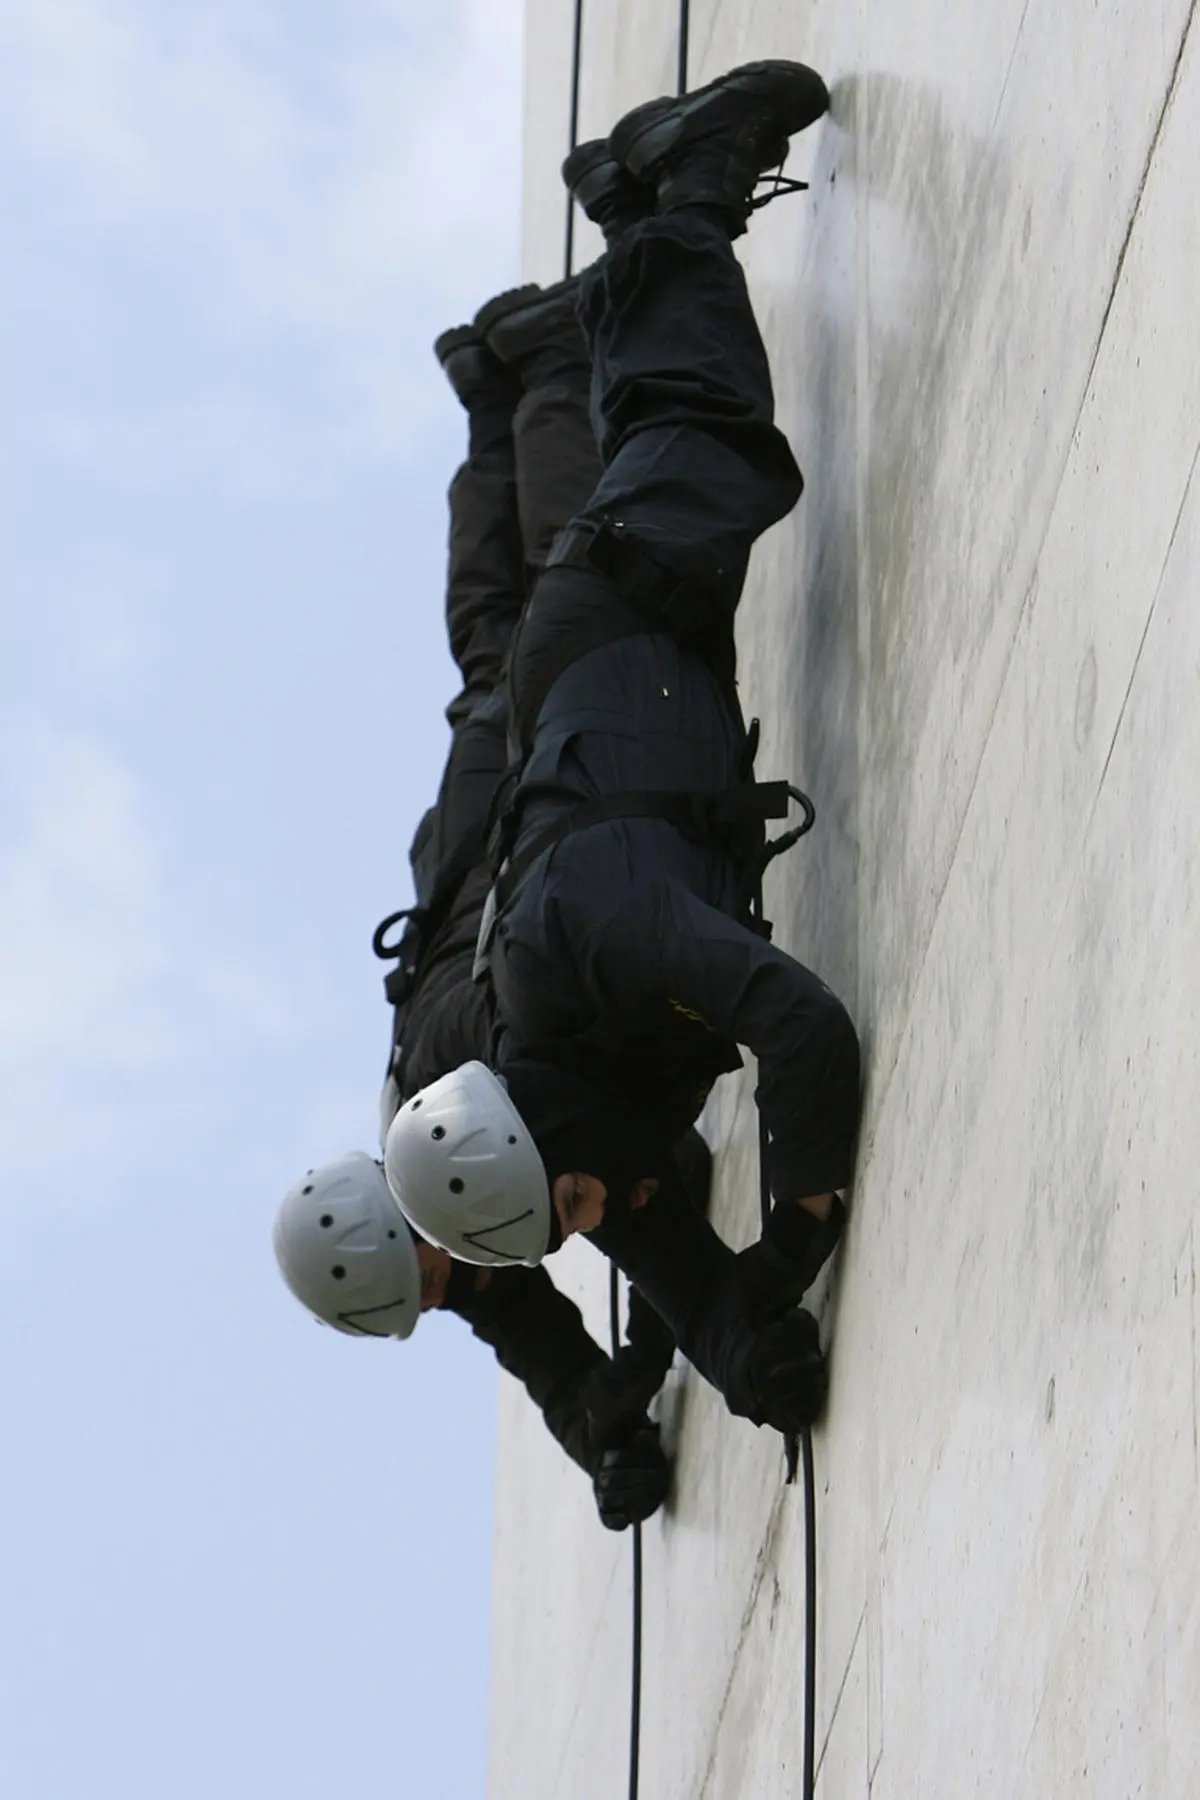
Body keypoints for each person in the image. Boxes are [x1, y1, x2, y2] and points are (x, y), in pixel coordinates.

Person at [385, 62, 862, 1438]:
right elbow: (677, 1270)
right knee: (674, 429)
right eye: (582, 1216)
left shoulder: (584, 949)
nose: (610, 1211)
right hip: (628, 670)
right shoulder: (570, 1116)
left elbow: (801, 1025)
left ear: (538, 1146)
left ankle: (691, 180)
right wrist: (749, 1357)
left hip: (619, 630)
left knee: (699, 424)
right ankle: (627, 210)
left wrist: (799, 1231)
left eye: (581, 1202)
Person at [274, 287, 693, 1531]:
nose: (450, 1291)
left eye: (426, 1284)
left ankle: (549, 369)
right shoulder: (434, 1170)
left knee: (557, 597)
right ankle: (492, 392)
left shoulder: (461, 1143)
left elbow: (644, 1155)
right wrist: (606, 1435)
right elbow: (540, 1349)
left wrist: (667, 1309)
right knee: (493, 643)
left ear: (401, 1236)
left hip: (505, 823)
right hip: (469, 842)